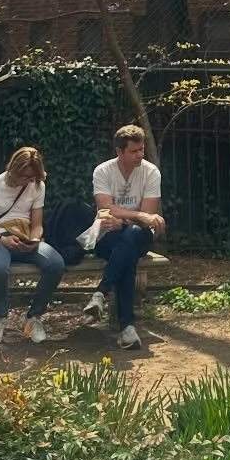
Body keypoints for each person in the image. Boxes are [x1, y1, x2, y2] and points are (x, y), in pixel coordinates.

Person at [82, 124, 165, 350]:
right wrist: (136, 216)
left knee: (132, 236)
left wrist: (123, 220)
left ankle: (101, 292)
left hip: (138, 235)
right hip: (107, 235)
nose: (140, 155)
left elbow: (148, 218)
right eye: (134, 151)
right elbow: (106, 209)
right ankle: (127, 328)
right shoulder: (103, 171)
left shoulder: (151, 172)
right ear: (119, 151)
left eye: (142, 149)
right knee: (127, 255)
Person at [0, 145, 64, 346]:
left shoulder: (37, 185)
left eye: (32, 177)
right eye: (24, 176)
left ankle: (34, 317)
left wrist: (34, 240)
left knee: (56, 264)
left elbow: (37, 223)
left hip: (24, 237)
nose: (28, 181)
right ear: (14, 170)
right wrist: (2, 240)